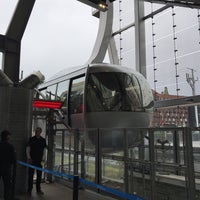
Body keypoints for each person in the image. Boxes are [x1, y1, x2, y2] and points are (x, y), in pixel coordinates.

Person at [26, 127, 47, 195]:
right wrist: (29, 158)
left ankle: (38, 190)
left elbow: (44, 150)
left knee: (39, 175)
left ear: (40, 132)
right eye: (36, 131)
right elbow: (28, 149)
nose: (37, 132)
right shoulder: (31, 139)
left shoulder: (43, 140)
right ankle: (29, 190)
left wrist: (43, 159)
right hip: (32, 160)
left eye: (38, 131)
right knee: (30, 175)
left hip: (40, 160)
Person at [0, 130, 16, 200]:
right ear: (7, 137)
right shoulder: (10, 146)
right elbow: (13, 159)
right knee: (7, 185)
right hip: (6, 168)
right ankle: (6, 198)